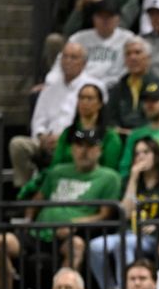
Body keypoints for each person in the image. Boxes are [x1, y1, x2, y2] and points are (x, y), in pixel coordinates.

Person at [0, 128, 122, 289]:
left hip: (69, 235)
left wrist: (75, 223)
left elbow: (105, 215)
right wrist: (28, 219)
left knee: (76, 246)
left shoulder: (109, 177)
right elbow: (38, 199)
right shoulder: (57, 171)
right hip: (37, 231)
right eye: (79, 146)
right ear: (72, 149)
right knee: (0, 243)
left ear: (99, 150)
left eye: (90, 146)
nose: (84, 151)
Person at [88, 137, 159, 289]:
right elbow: (125, 211)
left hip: (152, 236)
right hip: (128, 232)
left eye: (146, 152)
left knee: (122, 243)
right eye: (137, 153)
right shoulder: (129, 181)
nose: (141, 157)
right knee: (95, 246)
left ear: (156, 154)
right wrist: (133, 177)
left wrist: (157, 225)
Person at [9, 42, 101, 188]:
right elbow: (38, 121)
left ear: (83, 63)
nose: (68, 61)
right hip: (46, 141)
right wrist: (42, 137)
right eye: (65, 57)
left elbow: (95, 121)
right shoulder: (49, 89)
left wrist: (64, 137)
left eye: (73, 57)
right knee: (18, 144)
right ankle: (24, 190)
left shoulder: (93, 87)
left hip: (75, 140)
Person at [45, 0, 134, 88]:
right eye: (101, 16)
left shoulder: (128, 39)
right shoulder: (78, 38)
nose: (105, 21)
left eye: (109, 16)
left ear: (118, 19)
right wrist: (51, 83)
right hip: (76, 85)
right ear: (94, 18)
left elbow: (126, 71)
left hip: (112, 87)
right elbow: (60, 63)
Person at [106, 38, 159, 134]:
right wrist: (119, 130)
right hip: (122, 137)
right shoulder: (118, 88)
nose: (132, 57)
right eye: (128, 54)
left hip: (154, 137)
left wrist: (142, 132)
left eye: (137, 53)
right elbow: (109, 118)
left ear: (148, 58)